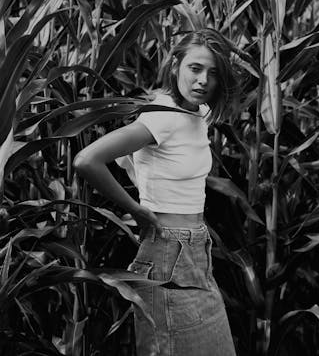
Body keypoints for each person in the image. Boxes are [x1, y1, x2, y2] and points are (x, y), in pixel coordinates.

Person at [74, 28, 239, 356]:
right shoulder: (162, 117)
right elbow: (87, 160)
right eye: (195, 68)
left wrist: (144, 178)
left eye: (213, 73)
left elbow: (126, 160)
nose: (203, 80)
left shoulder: (197, 113)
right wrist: (137, 208)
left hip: (194, 253)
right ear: (176, 64)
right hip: (168, 253)